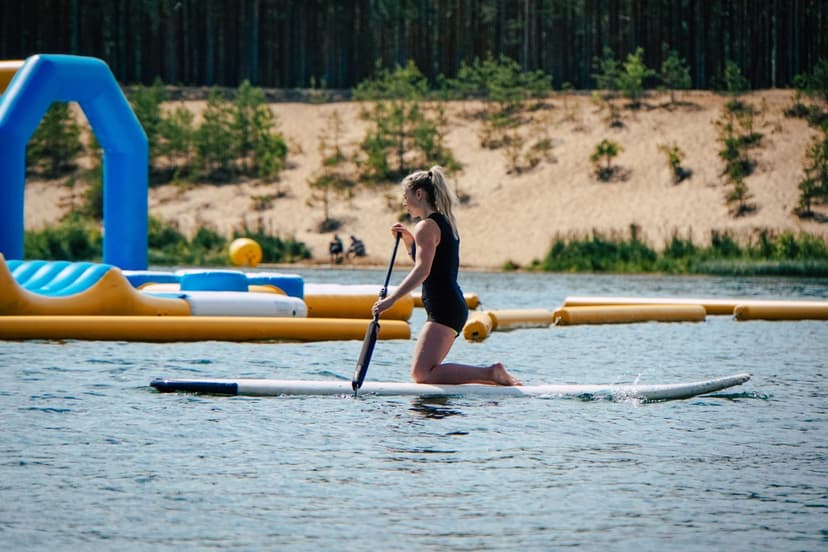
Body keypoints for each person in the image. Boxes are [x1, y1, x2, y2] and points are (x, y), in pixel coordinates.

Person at [372, 166, 521, 386]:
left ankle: (491, 373)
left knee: (422, 374)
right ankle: (491, 382)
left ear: (420, 194)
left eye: (406, 196)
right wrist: (408, 241)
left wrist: (391, 300)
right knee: (424, 373)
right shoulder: (443, 223)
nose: (404, 202)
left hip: (444, 307)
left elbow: (423, 270)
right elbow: (434, 264)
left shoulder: (426, 227)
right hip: (450, 305)